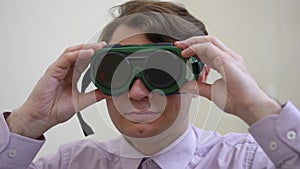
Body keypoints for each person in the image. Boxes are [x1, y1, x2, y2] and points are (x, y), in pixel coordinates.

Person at [1, 0, 299, 168]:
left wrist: (257, 108)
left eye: (162, 72)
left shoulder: (250, 161)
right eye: (117, 70)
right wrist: (28, 122)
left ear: (200, 75)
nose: (137, 92)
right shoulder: (69, 164)